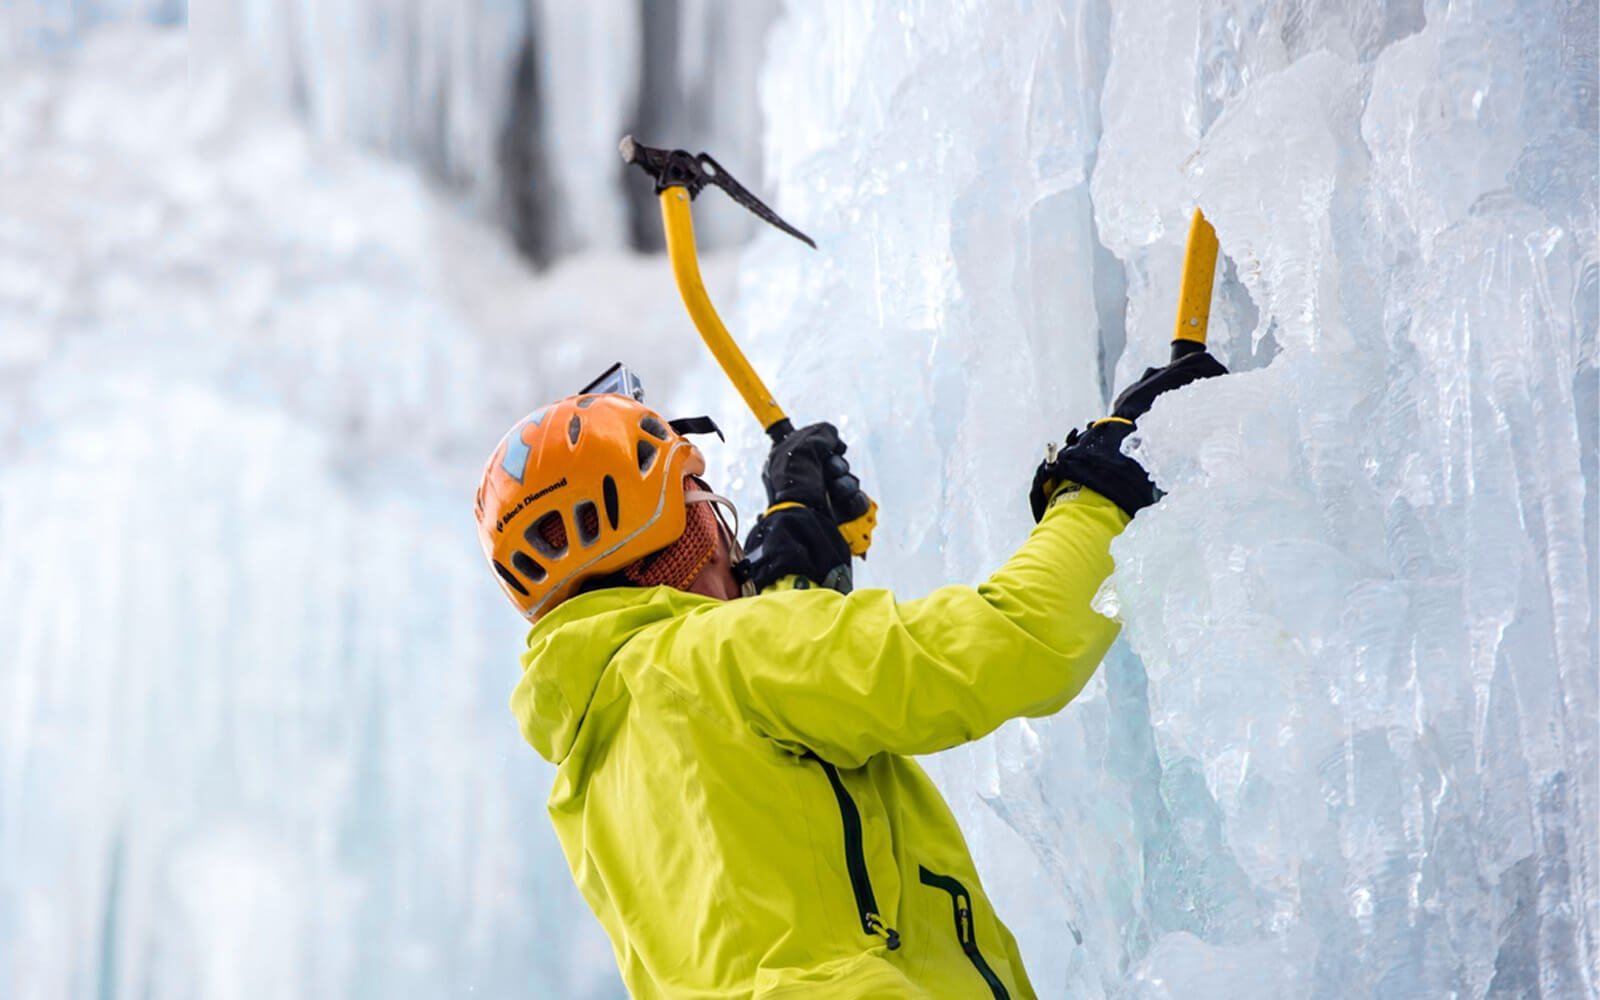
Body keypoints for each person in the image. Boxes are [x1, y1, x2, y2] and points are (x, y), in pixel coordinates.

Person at [473, 351, 1226, 998]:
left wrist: (789, 587)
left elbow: (771, 822)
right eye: (704, 506)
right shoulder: (732, 655)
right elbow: (1015, 643)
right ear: (684, 539)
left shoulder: (589, 774)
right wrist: (1104, 489)